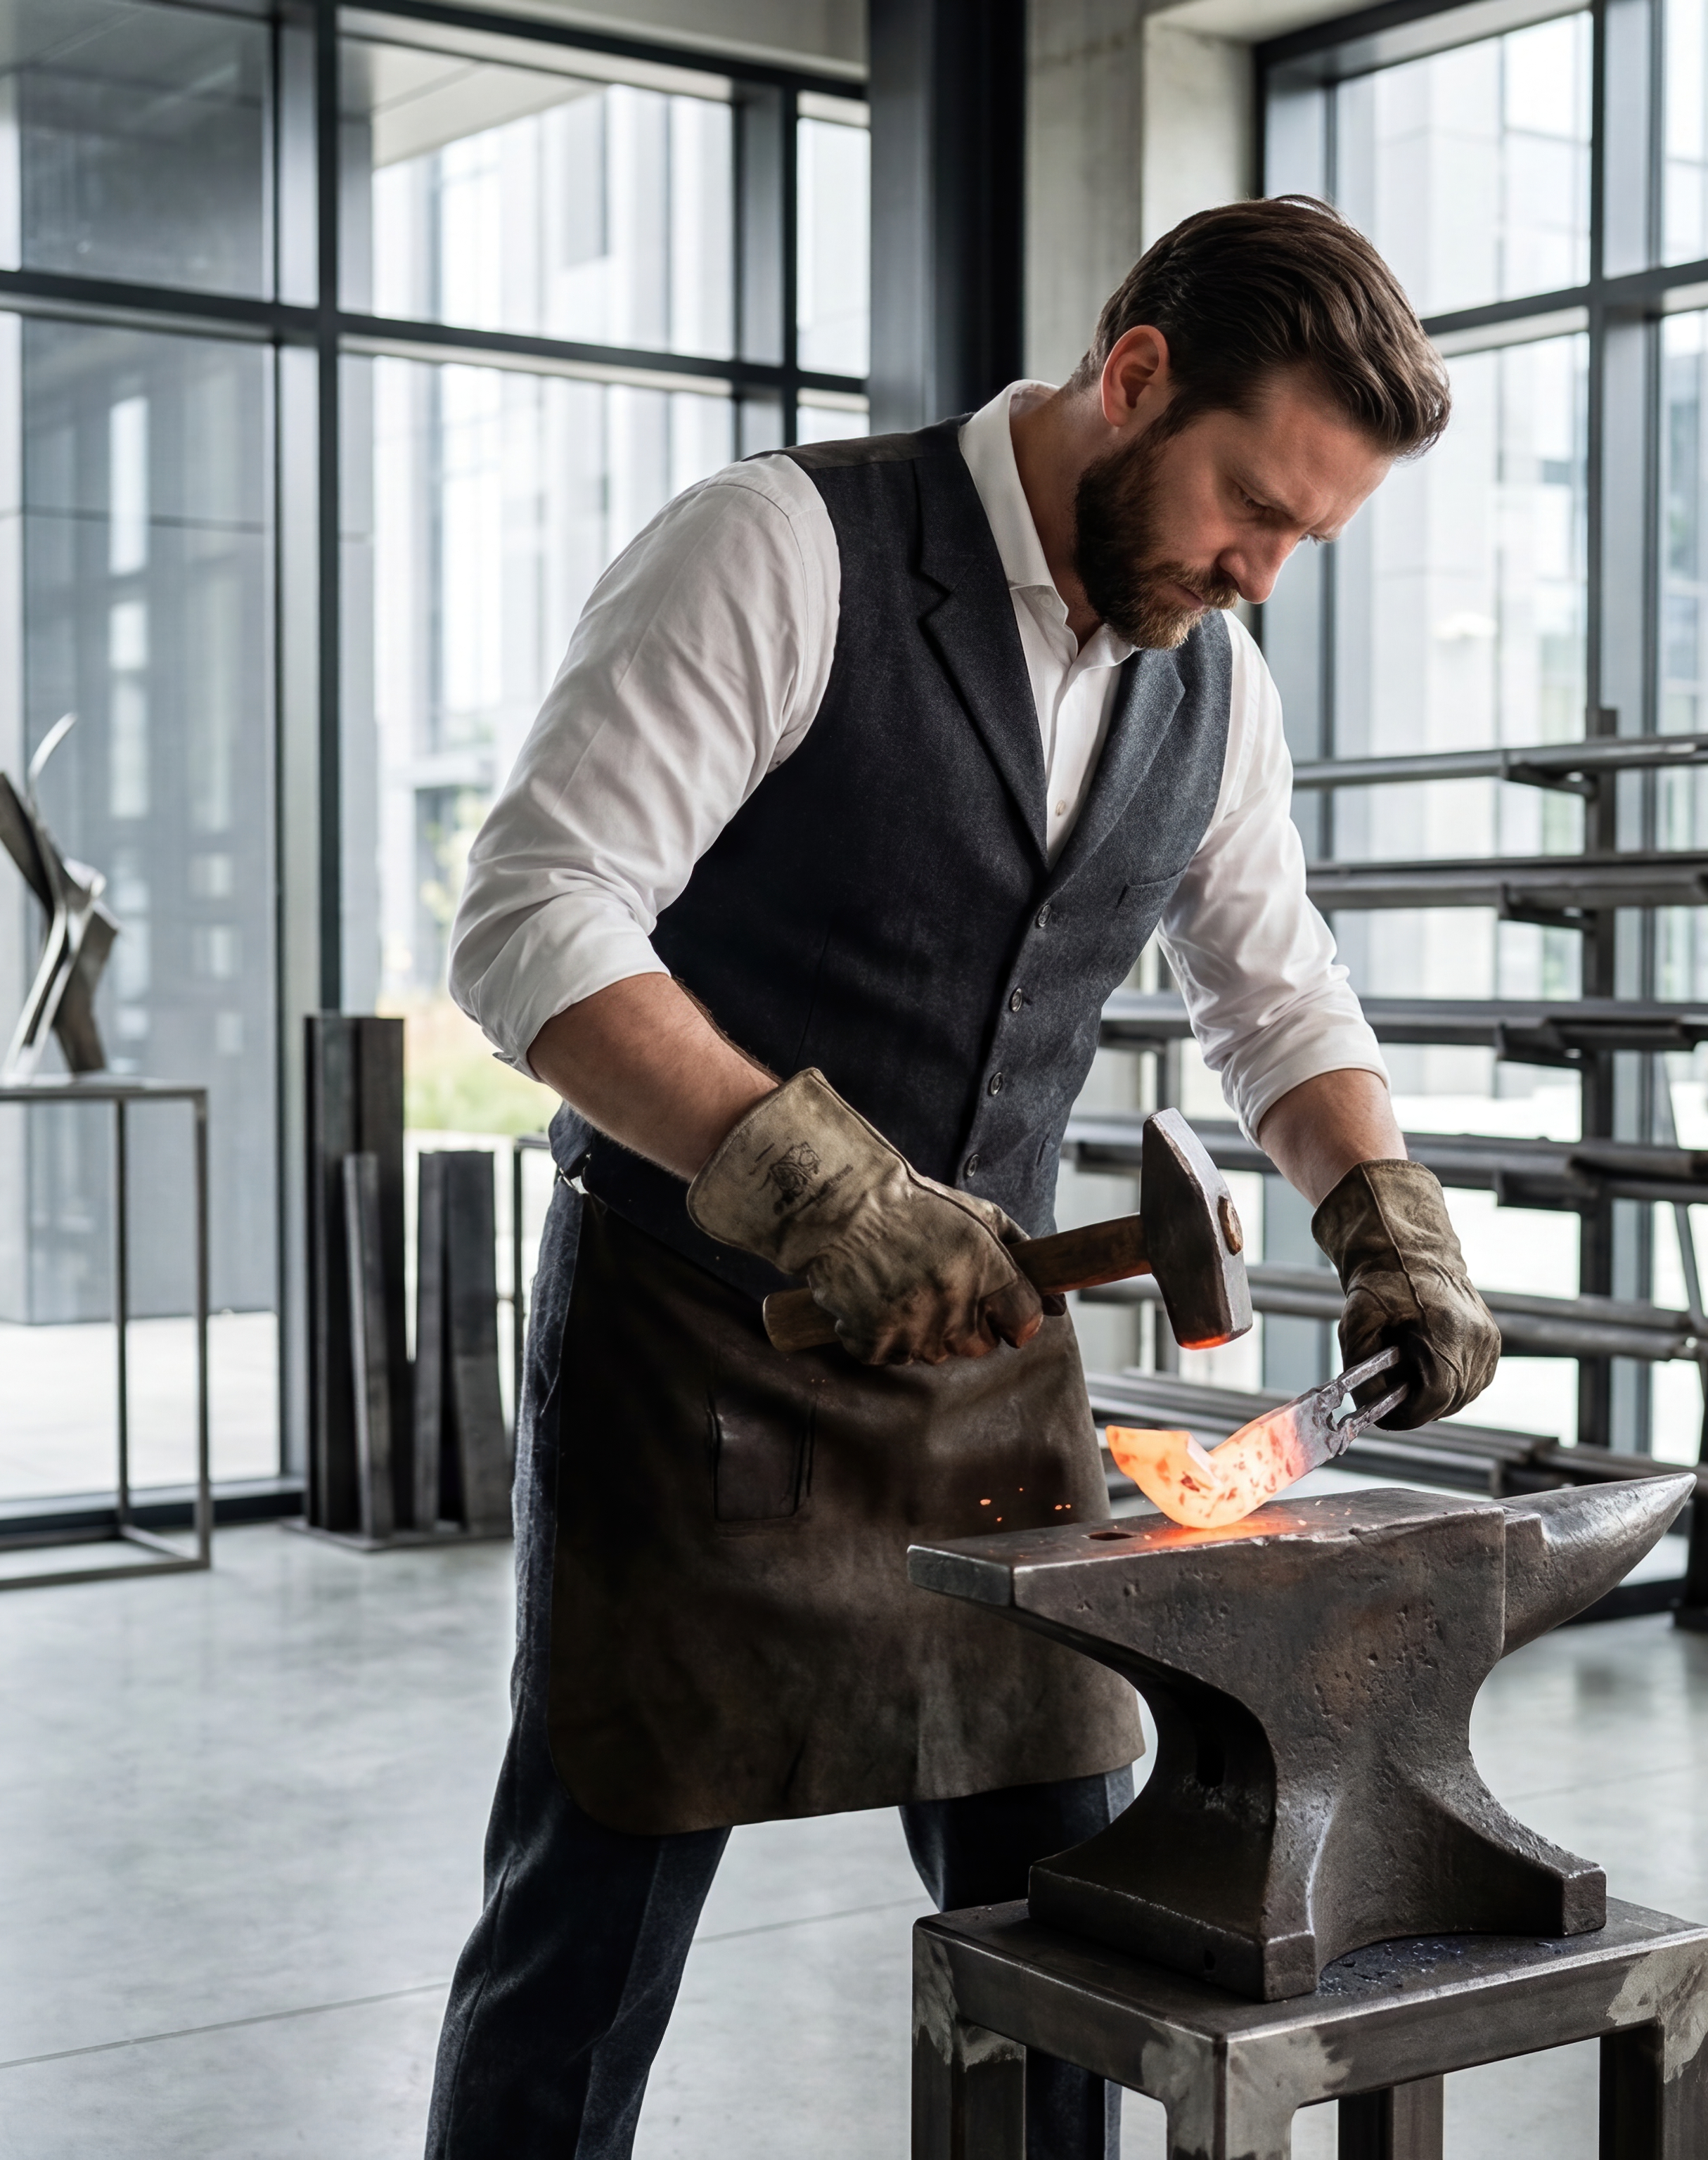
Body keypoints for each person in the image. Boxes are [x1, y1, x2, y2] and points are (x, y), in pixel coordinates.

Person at [428, 195, 1502, 2159]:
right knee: (583, 1948)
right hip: (698, 1360)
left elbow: (1279, 998)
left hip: (991, 1387)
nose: (1255, 572)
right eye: (1249, 506)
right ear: (1137, 377)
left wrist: (1387, 1214)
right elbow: (533, 917)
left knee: (1074, 1941)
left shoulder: (1209, 685)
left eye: (1300, 545)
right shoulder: (784, 547)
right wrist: (816, 1179)